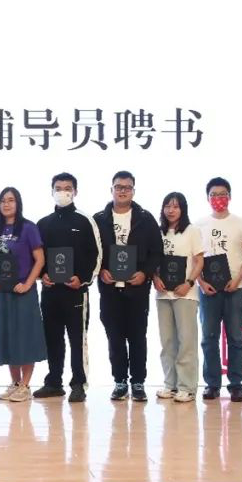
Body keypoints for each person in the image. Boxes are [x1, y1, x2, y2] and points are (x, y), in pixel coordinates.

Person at [94, 171, 163, 402]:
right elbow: (90, 252)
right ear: (111, 190)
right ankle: (120, 381)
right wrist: (100, 270)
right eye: (118, 187)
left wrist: (145, 273)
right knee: (114, 337)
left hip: (137, 289)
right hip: (109, 289)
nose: (122, 190)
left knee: (137, 336)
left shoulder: (145, 218)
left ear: (133, 190)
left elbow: (156, 252)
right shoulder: (99, 219)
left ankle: (138, 382)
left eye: (127, 187)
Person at [35, 172, 102, 404]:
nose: (62, 192)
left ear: (75, 192)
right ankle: (54, 382)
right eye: (58, 188)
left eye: (67, 188)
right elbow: (37, 258)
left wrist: (82, 279)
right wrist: (42, 276)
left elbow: (97, 255)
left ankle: (78, 384)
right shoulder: (43, 224)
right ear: (51, 191)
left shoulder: (85, 221)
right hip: (50, 293)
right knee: (52, 338)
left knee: (77, 340)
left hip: (76, 292)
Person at [196, 176, 242, 402]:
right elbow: (194, 258)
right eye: (214, 195)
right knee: (209, 338)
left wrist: (237, 279)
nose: (218, 198)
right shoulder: (199, 224)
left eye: (222, 194)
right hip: (208, 290)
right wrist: (201, 282)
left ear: (229, 197)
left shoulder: (241, 223)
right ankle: (212, 384)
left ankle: (236, 384)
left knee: (236, 338)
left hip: (235, 289)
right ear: (207, 198)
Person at [0, 186, 47, 403]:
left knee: (25, 337)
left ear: (18, 203)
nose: (6, 204)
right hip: (2, 293)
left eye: (11, 200)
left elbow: (39, 259)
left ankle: (25, 386)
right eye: (3, 200)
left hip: (23, 292)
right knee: (8, 336)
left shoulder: (28, 228)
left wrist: (28, 284)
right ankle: (14, 383)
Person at [153, 192, 204, 403]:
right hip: (163, 295)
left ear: (183, 209)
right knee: (167, 341)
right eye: (167, 206)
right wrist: (155, 278)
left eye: (175, 206)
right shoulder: (158, 232)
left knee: (186, 341)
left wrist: (189, 283)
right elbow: (153, 260)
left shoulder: (192, 231)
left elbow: (199, 261)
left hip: (186, 294)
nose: (171, 210)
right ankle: (170, 384)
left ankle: (187, 387)